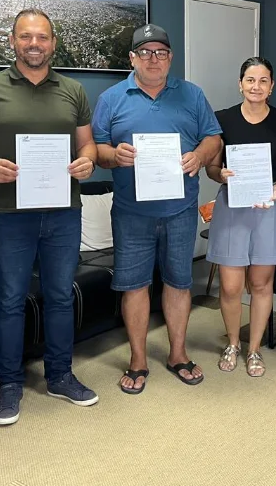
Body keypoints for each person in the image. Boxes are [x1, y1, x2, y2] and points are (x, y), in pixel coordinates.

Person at [0, 8, 99, 427]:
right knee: (9, 301)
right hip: (8, 215)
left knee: (60, 297)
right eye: (26, 37)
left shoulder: (73, 90)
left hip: (63, 213)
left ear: (53, 43)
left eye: (41, 37)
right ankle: (10, 385)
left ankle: (60, 376)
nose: (34, 44)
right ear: (13, 41)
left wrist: (88, 163)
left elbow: (88, 146)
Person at [93, 23, 222, 394]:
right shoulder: (112, 98)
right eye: (145, 53)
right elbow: (96, 149)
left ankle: (178, 354)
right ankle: (137, 359)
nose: (153, 59)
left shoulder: (192, 95)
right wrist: (113, 155)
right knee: (134, 286)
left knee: (179, 283)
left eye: (161, 52)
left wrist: (199, 155)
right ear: (133, 58)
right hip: (132, 211)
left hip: (180, 208)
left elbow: (213, 137)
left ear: (170, 58)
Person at [205, 57, 276, 377]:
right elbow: (212, 168)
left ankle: (254, 348)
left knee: (260, 281)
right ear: (240, 83)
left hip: (271, 207)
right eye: (250, 80)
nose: (256, 86)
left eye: (263, 81)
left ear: (272, 86)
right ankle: (233, 342)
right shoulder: (222, 119)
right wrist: (222, 175)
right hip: (233, 205)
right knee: (230, 286)